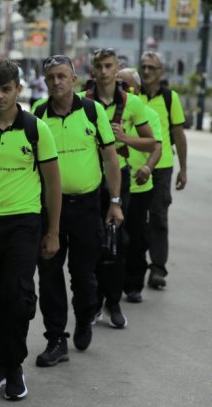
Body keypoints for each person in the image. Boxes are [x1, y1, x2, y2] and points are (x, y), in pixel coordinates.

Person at [0, 60, 61, 400]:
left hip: (24, 222)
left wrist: (53, 232)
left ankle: (15, 365)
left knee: (17, 296)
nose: (1, 95)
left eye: (7, 89)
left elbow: (53, 184)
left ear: (18, 89)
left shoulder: (36, 129)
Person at [31, 55, 122, 366]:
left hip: (86, 207)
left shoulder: (92, 110)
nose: (56, 82)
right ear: (45, 82)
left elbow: (111, 159)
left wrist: (115, 202)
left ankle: (84, 318)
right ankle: (56, 339)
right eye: (51, 77)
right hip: (48, 208)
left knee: (83, 276)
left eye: (62, 76)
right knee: (49, 275)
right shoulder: (39, 115)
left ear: (74, 80)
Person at [79, 48, 156, 329]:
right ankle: (93, 302)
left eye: (108, 65)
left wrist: (125, 137)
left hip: (118, 178)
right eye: (98, 66)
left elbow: (153, 143)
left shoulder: (131, 103)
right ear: (92, 70)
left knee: (118, 241)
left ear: (116, 68)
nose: (103, 71)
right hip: (88, 179)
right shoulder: (82, 102)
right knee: (91, 242)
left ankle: (113, 301)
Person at [138, 51, 188, 290]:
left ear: (161, 72)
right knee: (134, 218)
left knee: (158, 216)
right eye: (143, 67)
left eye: (152, 68)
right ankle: (133, 266)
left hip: (162, 166)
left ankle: (157, 268)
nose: (146, 71)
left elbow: (179, 134)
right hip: (135, 164)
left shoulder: (170, 98)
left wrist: (183, 169)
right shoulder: (131, 95)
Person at [116, 68, 163, 303]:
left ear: (134, 89)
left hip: (139, 188)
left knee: (136, 237)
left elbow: (157, 147)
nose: (119, 89)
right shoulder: (104, 110)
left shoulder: (147, 114)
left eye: (124, 85)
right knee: (113, 239)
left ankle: (134, 284)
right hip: (113, 186)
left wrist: (147, 168)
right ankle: (110, 285)